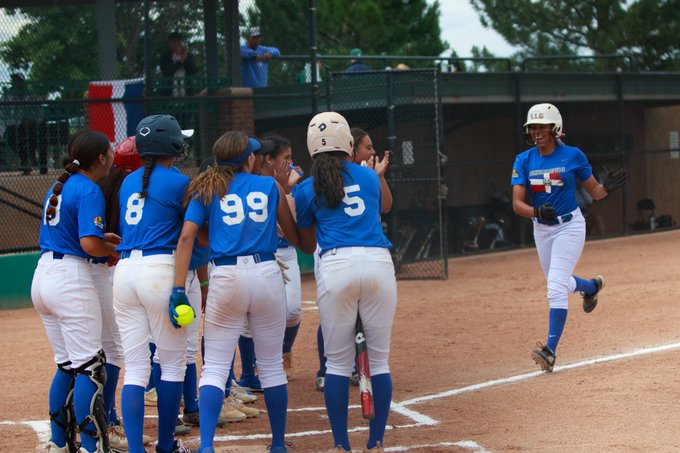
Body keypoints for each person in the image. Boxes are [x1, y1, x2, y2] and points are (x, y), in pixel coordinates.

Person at [172, 131, 300, 453]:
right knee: (271, 366)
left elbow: (188, 237)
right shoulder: (269, 185)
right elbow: (294, 235)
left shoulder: (206, 187)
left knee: (215, 366)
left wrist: (178, 288)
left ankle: (206, 447)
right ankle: (278, 444)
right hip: (266, 271)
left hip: (226, 274)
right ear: (249, 159)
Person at [294, 111, 396, 452]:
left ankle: (341, 444)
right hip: (378, 262)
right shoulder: (368, 176)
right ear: (348, 143)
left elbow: (307, 244)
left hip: (336, 265)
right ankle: (376, 442)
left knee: (337, 365)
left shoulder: (306, 187)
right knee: (379, 363)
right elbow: (381, 209)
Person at [511, 103, 627, 373]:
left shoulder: (573, 155)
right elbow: (517, 204)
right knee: (559, 284)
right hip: (542, 229)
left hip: (569, 227)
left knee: (555, 286)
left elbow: (594, 191)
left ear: (555, 129)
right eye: (533, 128)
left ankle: (549, 351)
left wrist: (607, 188)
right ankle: (590, 287)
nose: (536, 132)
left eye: (542, 127)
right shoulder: (524, 160)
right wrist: (536, 212)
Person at [32, 130, 119, 453]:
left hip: (44, 276)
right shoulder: (89, 188)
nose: (113, 156)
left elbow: (76, 234)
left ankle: (59, 443)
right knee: (89, 367)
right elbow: (88, 245)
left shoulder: (62, 184)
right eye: (110, 151)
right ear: (101, 158)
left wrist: (101, 240)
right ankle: (91, 447)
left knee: (67, 365)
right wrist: (113, 250)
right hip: (71, 279)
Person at [112, 114, 194, 453]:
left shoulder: (128, 181)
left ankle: (135, 449)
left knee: (135, 368)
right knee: (172, 364)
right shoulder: (179, 182)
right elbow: (193, 233)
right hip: (160, 269)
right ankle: (165, 445)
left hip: (125, 272)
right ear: (171, 145)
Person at [314, 127, 392, 392]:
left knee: (354, 314)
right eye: (367, 147)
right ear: (351, 148)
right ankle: (327, 368)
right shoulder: (340, 176)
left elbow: (386, 206)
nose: (372, 151)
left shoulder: (368, 176)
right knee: (335, 317)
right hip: (342, 251)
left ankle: (350, 368)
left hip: (352, 254)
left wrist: (379, 177)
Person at [3, 73, 47, 174]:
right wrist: (19, 122)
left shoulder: (32, 95)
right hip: (16, 126)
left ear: (23, 82)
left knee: (39, 135)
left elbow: (40, 111)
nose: (16, 83)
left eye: (18, 80)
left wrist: (34, 120)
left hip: (33, 125)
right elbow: (4, 114)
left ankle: (42, 166)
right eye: (14, 80)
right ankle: (25, 159)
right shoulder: (7, 96)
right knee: (9, 135)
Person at [160, 32, 198, 97]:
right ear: (170, 43)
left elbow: (193, 70)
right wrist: (181, 61)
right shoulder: (165, 57)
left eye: (178, 41)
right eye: (174, 42)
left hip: (187, 93)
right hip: (169, 93)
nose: (176, 44)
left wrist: (184, 56)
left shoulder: (188, 56)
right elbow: (166, 73)